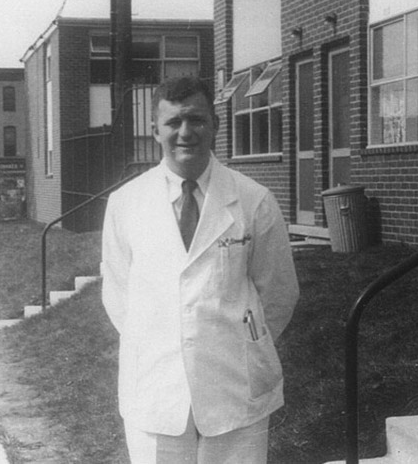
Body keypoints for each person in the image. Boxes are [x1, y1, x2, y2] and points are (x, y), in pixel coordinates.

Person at [101, 77, 300, 463]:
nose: (185, 132)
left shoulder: (253, 200)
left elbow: (278, 293)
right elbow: (118, 292)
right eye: (173, 122)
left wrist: (240, 343)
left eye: (196, 120)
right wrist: (162, 341)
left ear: (215, 126)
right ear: (155, 130)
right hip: (156, 380)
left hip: (235, 378)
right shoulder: (126, 203)